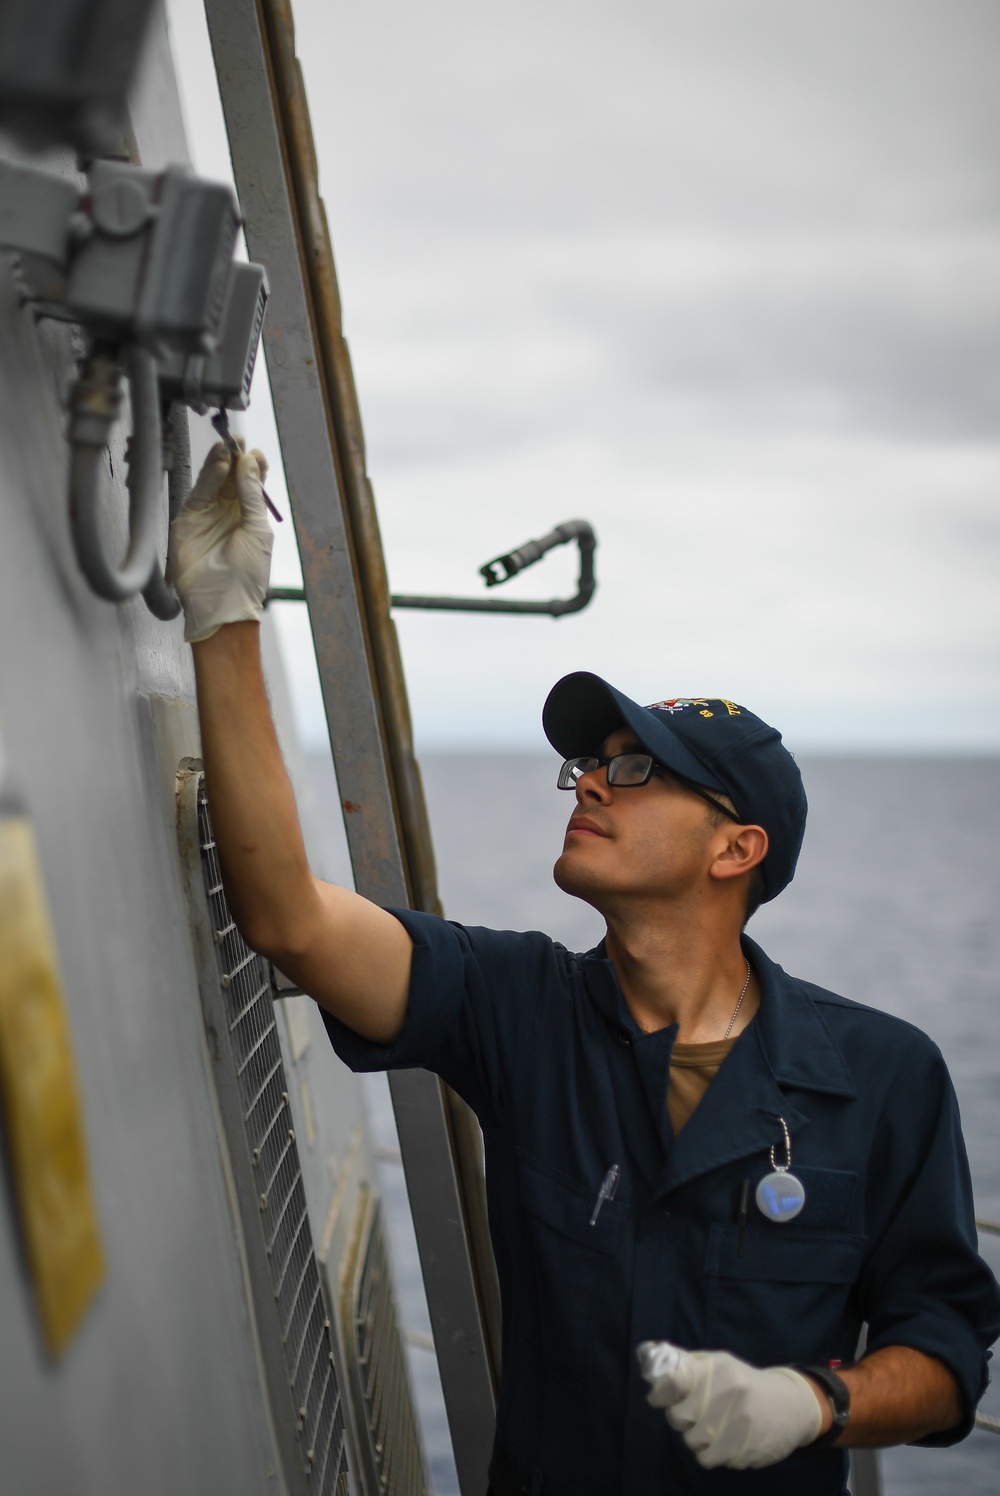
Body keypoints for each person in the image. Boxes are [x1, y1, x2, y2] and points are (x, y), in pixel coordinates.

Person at [171, 444, 1000, 1496]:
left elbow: (946, 1354)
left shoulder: (883, 1071)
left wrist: (813, 1402)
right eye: (589, 763)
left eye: (636, 767)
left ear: (735, 849)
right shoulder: (517, 1004)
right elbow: (286, 916)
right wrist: (224, 616)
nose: (591, 784)